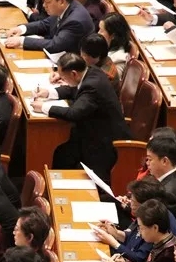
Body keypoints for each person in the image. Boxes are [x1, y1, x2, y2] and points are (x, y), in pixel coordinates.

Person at [32, 52, 130, 181]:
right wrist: (49, 92)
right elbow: (75, 89)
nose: (62, 80)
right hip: (89, 131)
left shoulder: (92, 86)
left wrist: (44, 107)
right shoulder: (90, 71)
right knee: (61, 153)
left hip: (104, 142)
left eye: (63, 77)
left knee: (62, 153)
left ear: (74, 74)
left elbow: (74, 113)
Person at [4, 0, 93, 54]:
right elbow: (45, 24)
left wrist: (22, 41)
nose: (44, 5)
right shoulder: (64, 7)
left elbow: (55, 45)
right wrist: (21, 29)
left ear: (62, 1)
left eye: (47, 1)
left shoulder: (75, 21)